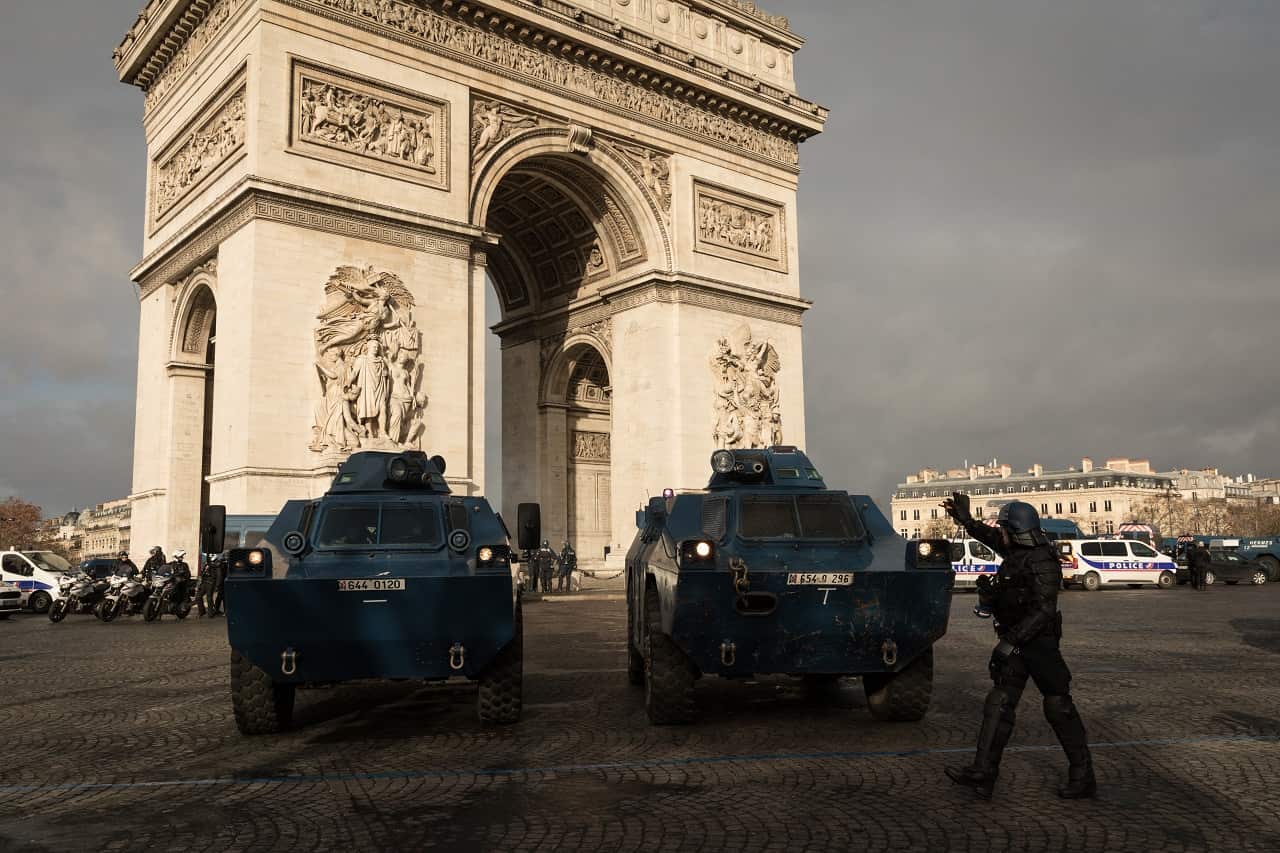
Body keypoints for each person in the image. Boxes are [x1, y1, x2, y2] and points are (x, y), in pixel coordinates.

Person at [941, 493, 1096, 800]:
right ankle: (983, 773)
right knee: (999, 702)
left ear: (1013, 529)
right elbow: (989, 536)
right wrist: (966, 520)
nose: (998, 532)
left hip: (1039, 644)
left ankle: (1083, 775)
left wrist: (1009, 642)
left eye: (1002, 528)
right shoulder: (1015, 549)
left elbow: (1044, 611)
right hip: (1017, 640)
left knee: (1058, 705)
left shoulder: (1041, 560)